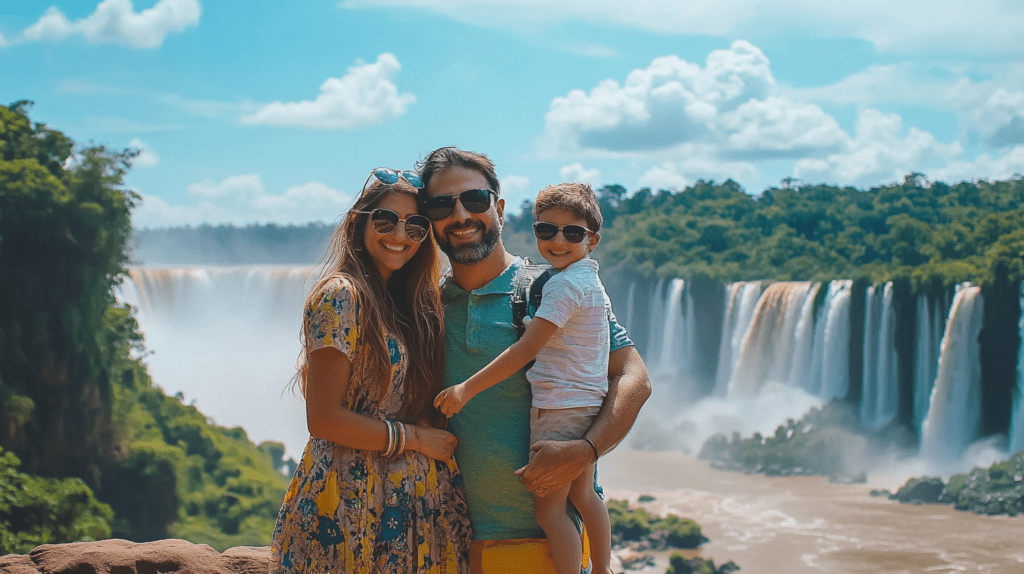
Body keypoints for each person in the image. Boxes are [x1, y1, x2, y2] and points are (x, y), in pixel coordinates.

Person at [416, 147, 652, 573]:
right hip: (458, 545)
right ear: (429, 218)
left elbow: (634, 378)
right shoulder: (427, 306)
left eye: (474, 200)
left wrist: (586, 449)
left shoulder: (548, 289)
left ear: (499, 208)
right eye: (440, 204)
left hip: (548, 551)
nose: (461, 215)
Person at [269, 168, 473, 574]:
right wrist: (414, 439)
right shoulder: (341, 296)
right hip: (347, 500)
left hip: (408, 505)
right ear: (358, 222)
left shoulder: (409, 306)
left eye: (415, 226)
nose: (400, 235)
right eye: (385, 220)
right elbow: (323, 419)